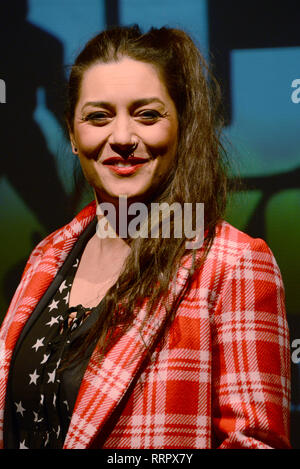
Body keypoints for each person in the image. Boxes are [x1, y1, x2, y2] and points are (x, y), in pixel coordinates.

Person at [0, 25, 291, 449]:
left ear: (181, 126)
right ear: (71, 133)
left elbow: (255, 443)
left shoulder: (235, 262)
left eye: (147, 114)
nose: (121, 138)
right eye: (98, 116)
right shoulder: (48, 255)